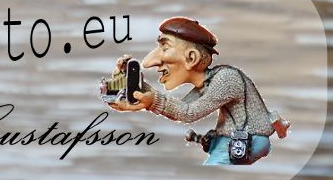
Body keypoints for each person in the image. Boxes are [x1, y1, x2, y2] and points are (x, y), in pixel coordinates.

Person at [107, 17, 288, 165]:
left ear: (191, 57)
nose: (149, 62)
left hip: (249, 141)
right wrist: (139, 87)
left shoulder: (226, 79)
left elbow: (189, 113)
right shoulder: (210, 81)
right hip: (233, 138)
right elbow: (181, 107)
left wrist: (152, 101)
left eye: (165, 47)